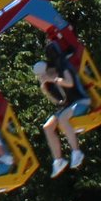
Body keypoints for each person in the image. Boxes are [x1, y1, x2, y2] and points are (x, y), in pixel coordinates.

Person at [32, 41, 88, 178]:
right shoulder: (49, 83)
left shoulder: (63, 69)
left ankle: (76, 151)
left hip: (81, 101)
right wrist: (45, 89)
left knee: (63, 118)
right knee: (47, 127)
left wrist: (54, 79)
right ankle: (58, 160)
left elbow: (69, 83)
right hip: (68, 107)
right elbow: (58, 102)